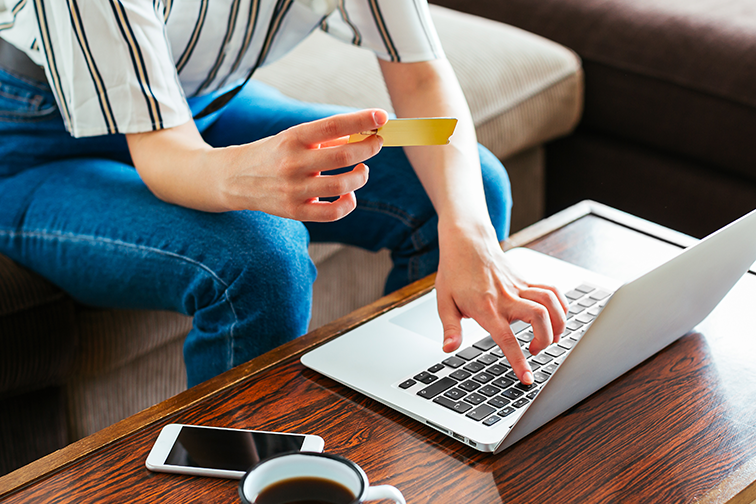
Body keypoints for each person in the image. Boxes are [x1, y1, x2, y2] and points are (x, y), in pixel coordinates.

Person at [0, 0, 567, 388]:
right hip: (34, 143)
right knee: (257, 257)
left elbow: (421, 77)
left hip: (193, 106)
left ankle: (405, 419)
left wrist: (468, 232)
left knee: (470, 189)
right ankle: (251, 480)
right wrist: (246, 174)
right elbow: (165, 156)